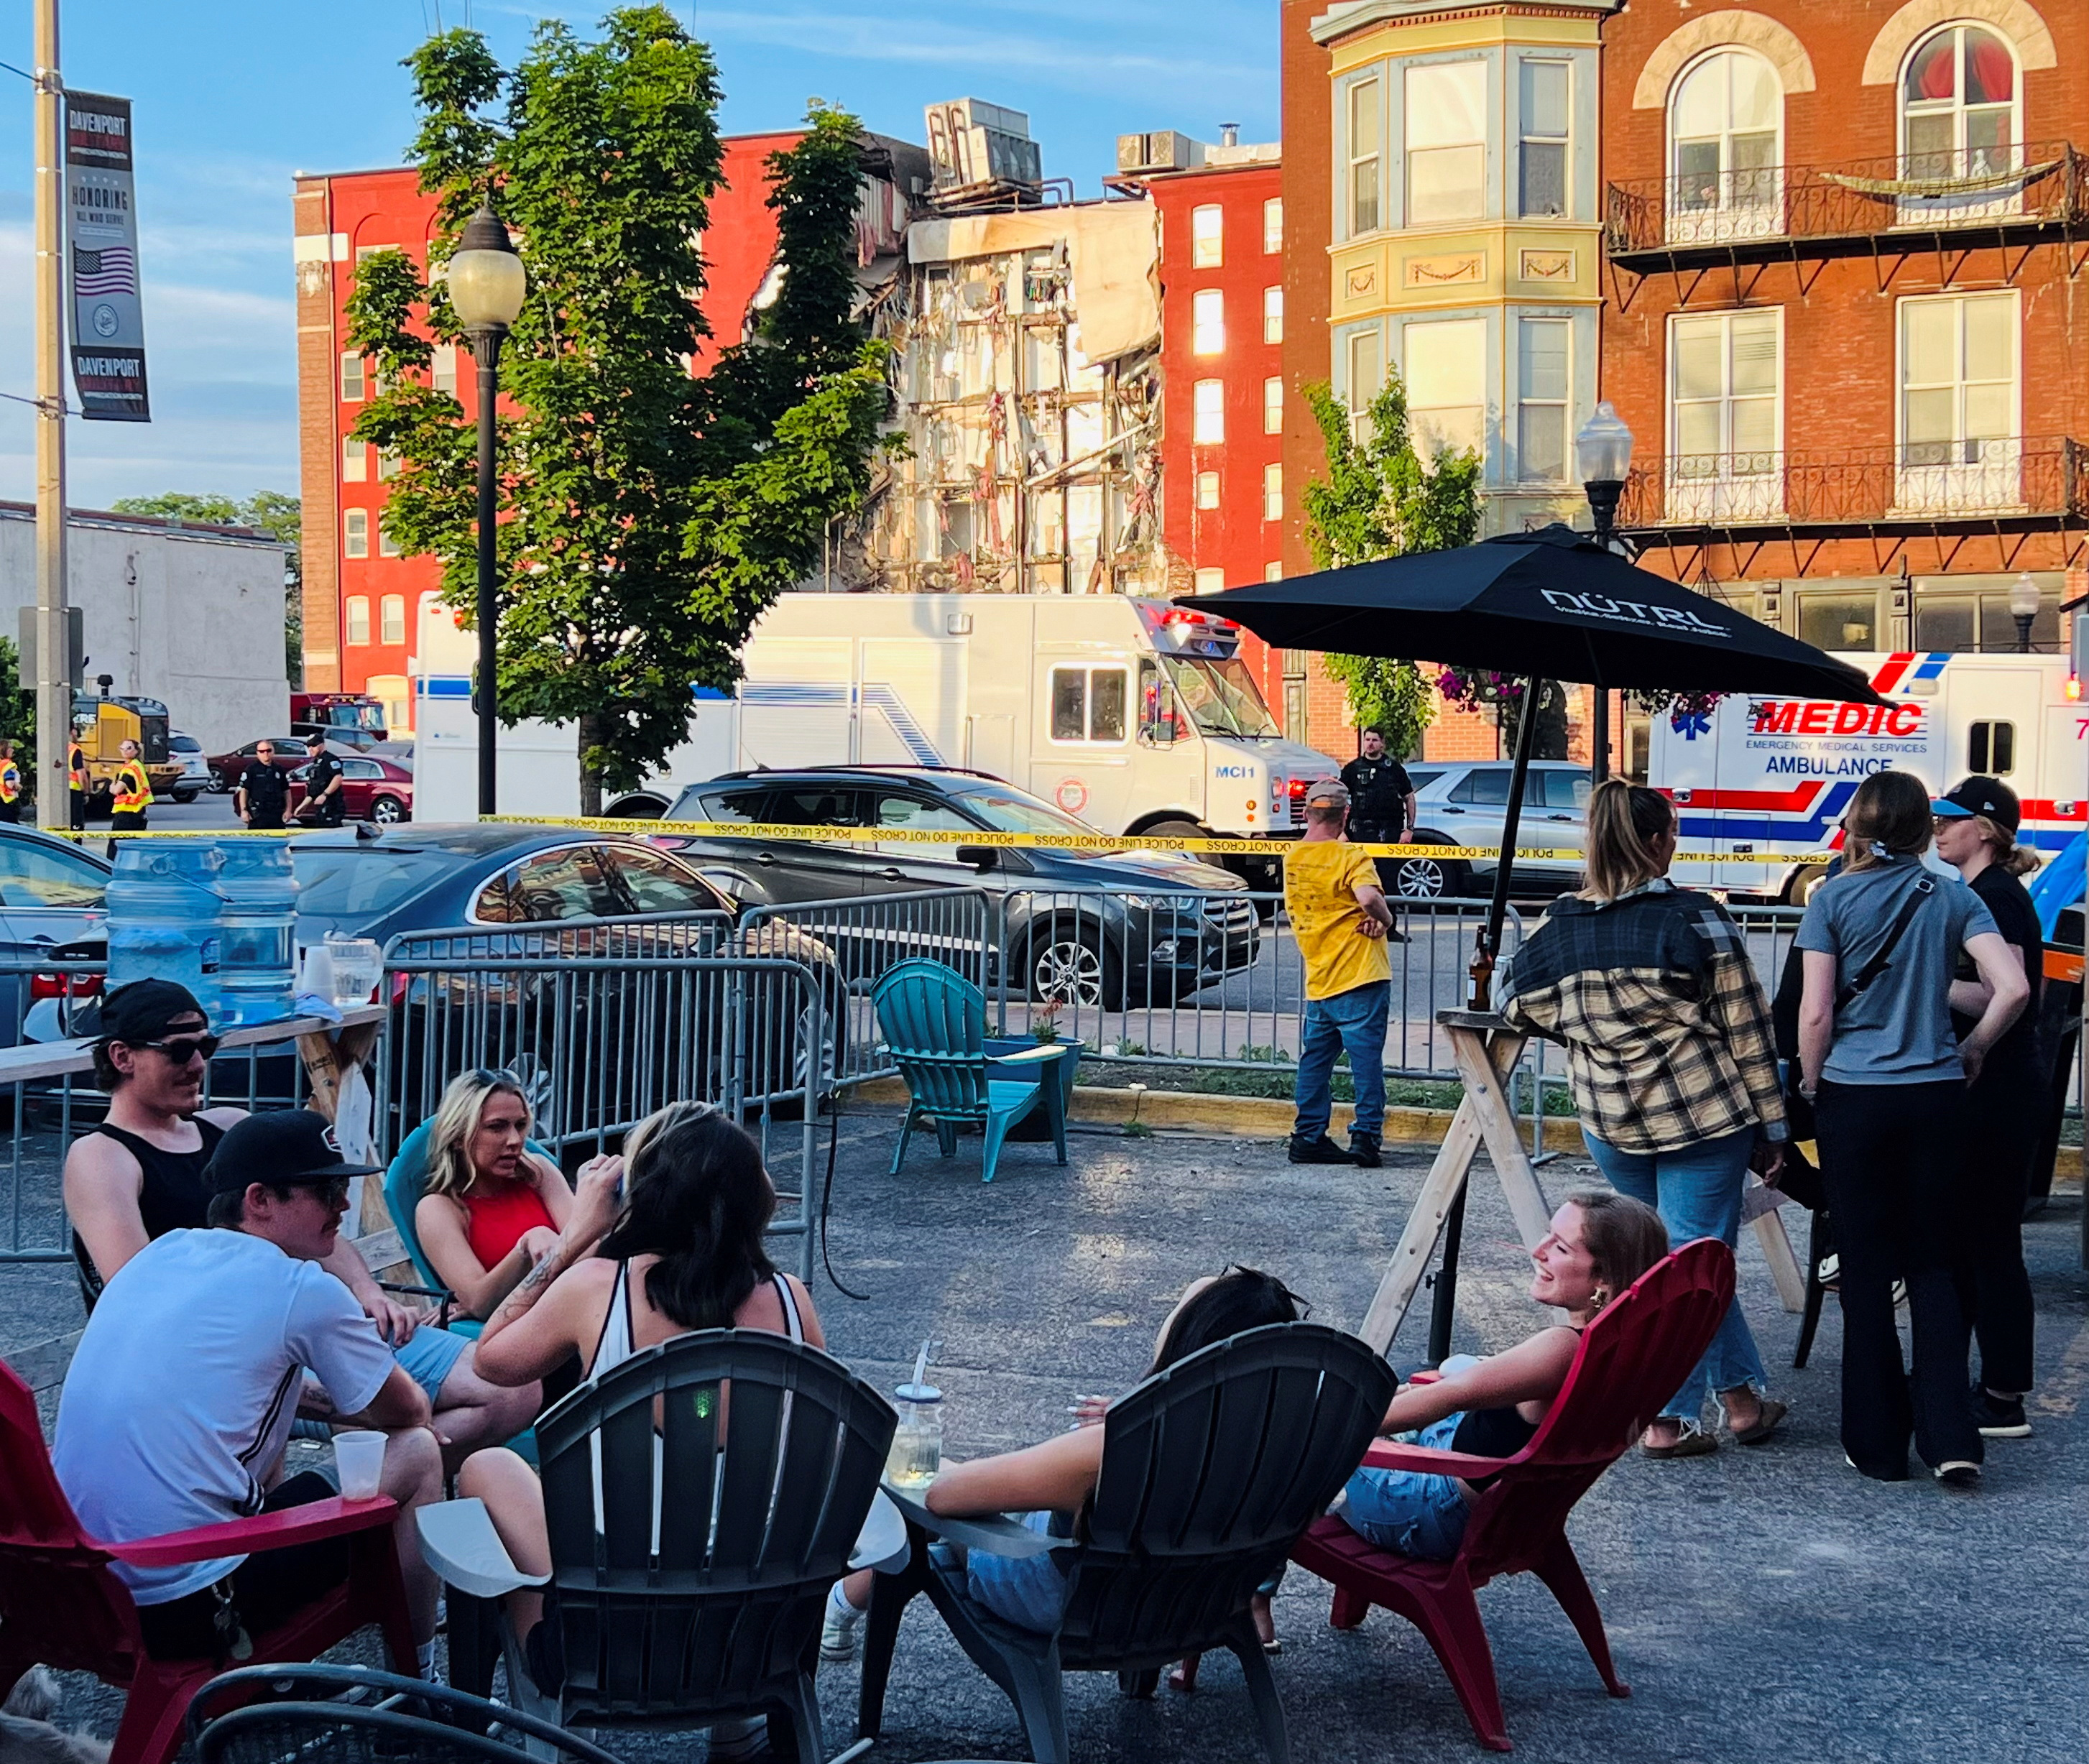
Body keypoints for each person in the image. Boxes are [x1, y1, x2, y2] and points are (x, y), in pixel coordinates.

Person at [63, 979, 538, 1470]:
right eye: (180, 1049)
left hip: (306, 1329)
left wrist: (367, 1294)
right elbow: (138, 1299)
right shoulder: (103, 1157)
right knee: (406, 1423)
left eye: (207, 1045)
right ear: (121, 1056)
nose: (199, 1064)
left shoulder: (227, 1126)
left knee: (510, 1389)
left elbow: (312, 1223)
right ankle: (349, 1494)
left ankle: (361, 1489)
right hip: (215, 1359)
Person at [451, 1102, 813, 1719]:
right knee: (720, 1507)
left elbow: (489, 1358)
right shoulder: (789, 1299)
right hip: (754, 1637)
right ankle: (737, 1733)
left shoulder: (597, 1289)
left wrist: (573, 1238)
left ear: (641, 1194)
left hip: (607, 1645)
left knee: (485, 1466)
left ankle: (480, 1713)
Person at [50, 1109, 446, 1674]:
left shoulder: (161, 1254)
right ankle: (417, 1682)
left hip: (81, 1590)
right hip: (188, 1603)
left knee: (255, 1421)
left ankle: (287, 1682)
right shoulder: (300, 1286)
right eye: (326, 1187)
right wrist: (351, 1407)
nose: (343, 1204)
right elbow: (409, 1409)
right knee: (419, 1450)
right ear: (259, 1199)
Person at [1496, 780, 1789, 1458]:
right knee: (1688, 1270)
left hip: (1610, 1120)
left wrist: (1592, 1026)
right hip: (1702, 1117)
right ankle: (1667, 1416)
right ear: (1658, 842)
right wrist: (1772, 1126)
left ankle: (1741, 1399)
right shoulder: (1696, 919)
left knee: (1664, 1264)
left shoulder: (1555, 927)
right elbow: (1748, 1031)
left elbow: (1518, 1008)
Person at [1795, 768, 2029, 1488]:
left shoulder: (1830, 897)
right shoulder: (1954, 896)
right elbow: (2013, 986)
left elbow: (1815, 1013)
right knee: (1934, 1264)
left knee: (1867, 1273)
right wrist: (1975, 1046)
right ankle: (1951, 1434)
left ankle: (1876, 1443)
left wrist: (1811, 1081)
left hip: (1857, 1099)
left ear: (1861, 825)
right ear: (1920, 829)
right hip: (1936, 1096)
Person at [919, 1267, 1305, 1645]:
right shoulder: (1289, 1445)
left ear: (1186, 1345)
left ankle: (858, 1601)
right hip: (1195, 1604)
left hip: (1062, 1602)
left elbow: (943, 1495)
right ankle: (854, 1601)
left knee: (916, 1473)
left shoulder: (1119, 1447)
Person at [1338, 1193, 1667, 1559]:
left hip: (1427, 1507)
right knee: (1405, 1390)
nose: (1537, 1251)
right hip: (1514, 1512)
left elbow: (1447, 1397)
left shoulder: (1561, 1350)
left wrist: (1324, 1430)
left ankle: (1261, 1598)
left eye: (1559, 1248)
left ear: (1603, 1279)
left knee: (1280, 1455)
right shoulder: (1627, 1348)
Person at [1930, 776, 2044, 1442]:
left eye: (1951, 819)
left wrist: (1928, 978)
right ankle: (1979, 1382)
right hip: (1997, 1089)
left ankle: (2003, 1394)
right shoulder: (1981, 893)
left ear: (1987, 829)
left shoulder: (1995, 896)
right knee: (1976, 1240)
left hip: (1997, 1091)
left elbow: (2010, 990)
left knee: (1992, 1243)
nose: (1938, 829)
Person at [1284, 778, 1394, 1168]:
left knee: (1315, 1060)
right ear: (1345, 813)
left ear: (1308, 813)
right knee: (1365, 1062)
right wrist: (1384, 918)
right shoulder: (1352, 858)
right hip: (1361, 973)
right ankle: (1366, 1138)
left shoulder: (1293, 858)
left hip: (1320, 976)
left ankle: (1308, 1136)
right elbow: (1367, 897)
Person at [414, 1070, 581, 1319]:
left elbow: (590, 1255)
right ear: (459, 1136)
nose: (515, 1140)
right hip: (526, 1329)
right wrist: (526, 1246)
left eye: (521, 1125)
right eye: (497, 1127)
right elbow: (480, 1303)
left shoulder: (539, 1173)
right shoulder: (438, 1208)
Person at [1340, 729, 1415, 940]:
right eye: (1367, 739)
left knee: (1388, 881)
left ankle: (1389, 928)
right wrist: (1342, 831)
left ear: (1383, 744)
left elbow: (1409, 798)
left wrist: (1408, 829)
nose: (1370, 744)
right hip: (1360, 832)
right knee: (1358, 880)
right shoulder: (1352, 769)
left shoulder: (1394, 770)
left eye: (1375, 740)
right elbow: (1341, 801)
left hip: (1388, 833)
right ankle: (1359, 926)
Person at [235, 740, 290, 831]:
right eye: (262, 751)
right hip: (258, 813)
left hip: (276, 813)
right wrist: (244, 810)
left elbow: (286, 791)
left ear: (273, 751)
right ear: (257, 753)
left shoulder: (279, 769)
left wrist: (288, 810)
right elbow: (244, 790)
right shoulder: (251, 770)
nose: (266, 754)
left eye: (269, 751)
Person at [299, 734, 346, 827]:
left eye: (314, 746)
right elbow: (314, 789)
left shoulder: (330, 759)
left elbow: (338, 778)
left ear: (323, 745)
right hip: (321, 807)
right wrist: (302, 806)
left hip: (332, 806)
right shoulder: (316, 762)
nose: (311, 749)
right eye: (309, 746)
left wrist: (325, 794)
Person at [109, 737, 150, 832]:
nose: (125, 751)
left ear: (136, 751)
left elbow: (116, 790)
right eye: (122, 748)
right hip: (138, 811)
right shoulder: (138, 766)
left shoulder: (130, 770)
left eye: (129, 748)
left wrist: (112, 785)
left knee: (117, 844)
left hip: (127, 813)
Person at [68, 736, 88, 831]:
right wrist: (86, 792)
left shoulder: (54, 747)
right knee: (76, 823)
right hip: (74, 790)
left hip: (57, 791)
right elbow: (81, 774)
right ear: (72, 732)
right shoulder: (74, 749)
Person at [0, 739, 20, 823]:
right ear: (4, 750)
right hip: (7, 802)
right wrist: (18, 786)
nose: (13, 750)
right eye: (10, 748)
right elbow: (10, 784)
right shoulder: (8, 765)